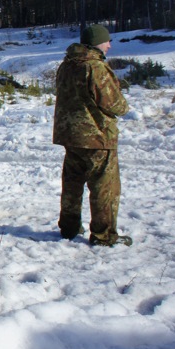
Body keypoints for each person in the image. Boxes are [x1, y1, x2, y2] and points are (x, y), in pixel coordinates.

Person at [53, 24, 131, 247]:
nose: (109, 45)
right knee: (104, 188)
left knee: (72, 185)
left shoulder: (66, 66)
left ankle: (68, 228)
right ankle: (104, 236)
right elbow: (114, 103)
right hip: (97, 137)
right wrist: (124, 106)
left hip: (71, 135)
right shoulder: (95, 68)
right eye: (107, 41)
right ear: (98, 43)